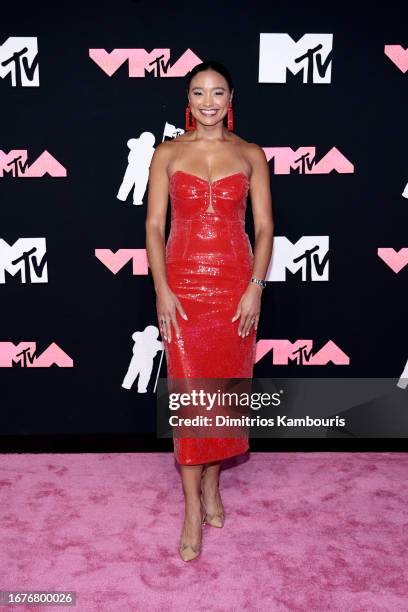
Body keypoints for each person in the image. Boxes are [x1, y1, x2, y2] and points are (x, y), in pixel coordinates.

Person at [145, 60, 274, 561]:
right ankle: (191, 509)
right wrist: (162, 289)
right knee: (189, 396)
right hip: (181, 287)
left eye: (217, 92)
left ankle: (214, 487)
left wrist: (255, 287)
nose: (208, 102)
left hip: (234, 286)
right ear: (188, 99)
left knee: (222, 395)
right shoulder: (167, 153)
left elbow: (264, 228)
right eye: (199, 92)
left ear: (231, 97)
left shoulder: (250, 154)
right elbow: (155, 226)